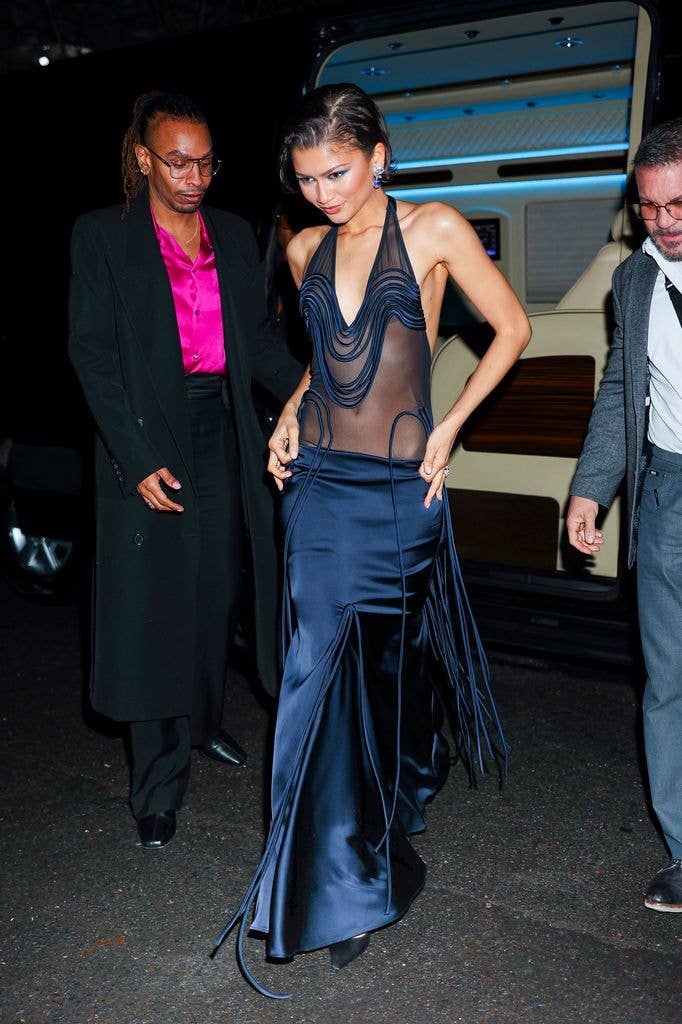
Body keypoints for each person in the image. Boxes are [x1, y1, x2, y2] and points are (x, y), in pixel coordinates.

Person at [212, 82, 531, 997]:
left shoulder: (432, 229)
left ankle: (374, 843)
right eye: (308, 178)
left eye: (339, 173)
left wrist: (451, 427)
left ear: (379, 156)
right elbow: (325, 362)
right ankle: (328, 884)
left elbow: (513, 327)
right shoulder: (303, 247)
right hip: (316, 488)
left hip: (398, 492)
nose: (324, 194)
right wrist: (290, 412)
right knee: (314, 680)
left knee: (379, 678)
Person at [68, 91, 302, 850]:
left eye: (206, 163)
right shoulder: (103, 235)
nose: (195, 177)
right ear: (144, 158)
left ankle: (202, 723)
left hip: (223, 429)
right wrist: (133, 458)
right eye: (178, 162)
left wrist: (316, 386)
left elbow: (255, 342)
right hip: (147, 432)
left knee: (217, 593)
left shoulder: (230, 232)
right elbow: (92, 356)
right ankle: (158, 782)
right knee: (155, 610)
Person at [567, 117, 682, 914]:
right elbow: (622, 388)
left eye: (678, 205)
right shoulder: (633, 281)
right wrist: (591, 486)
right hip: (668, 494)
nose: (664, 222)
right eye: (650, 207)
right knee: (669, 686)